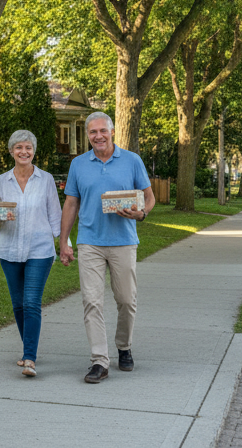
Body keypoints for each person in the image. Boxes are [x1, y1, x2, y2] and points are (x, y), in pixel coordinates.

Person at [58, 111, 154, 384]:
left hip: (123, 241)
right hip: (89, 242)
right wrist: (64, 241)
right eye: (92, 132)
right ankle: (99, 360)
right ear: (87, 135)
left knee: (126, 300)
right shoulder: (78, 164)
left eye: (102, 131)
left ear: (112, 132)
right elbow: (71, 204)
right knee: (92, 301)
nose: (98, 136)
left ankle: (124, 346)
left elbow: (149, 197)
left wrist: (142, 214)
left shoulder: (132, 161)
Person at [0, 129, 62, 378]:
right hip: (9, 250)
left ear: (34, 151)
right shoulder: (1, 181)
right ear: (11, 151)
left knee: (31, 302)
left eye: (28, 147)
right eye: (19, 147)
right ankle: (27, 349)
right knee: (18, 304)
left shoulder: (46, 179)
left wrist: (65, 244)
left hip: (40, 250)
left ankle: (30, 357)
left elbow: (55, 216)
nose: (24, 152)